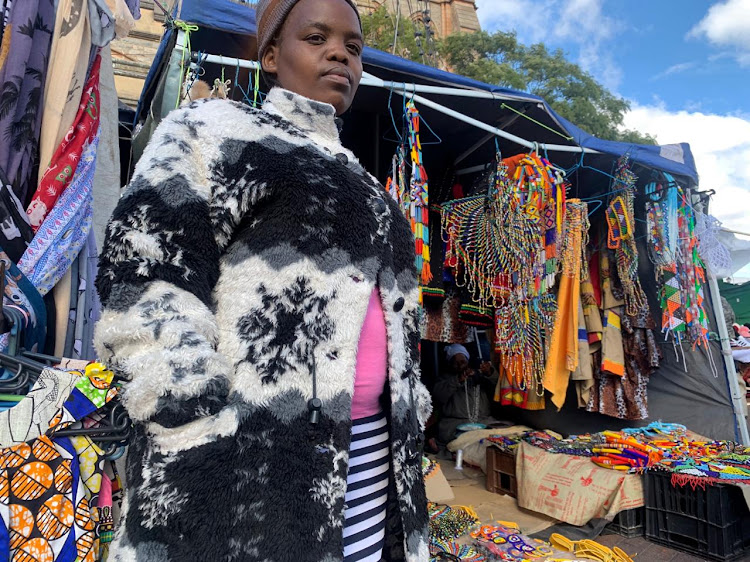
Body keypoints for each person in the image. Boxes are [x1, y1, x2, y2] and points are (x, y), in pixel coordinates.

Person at [94, 0, 431, 560]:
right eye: (317, 37)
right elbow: (145, 270)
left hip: (372, 471)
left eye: (353, 47)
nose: (338, 54)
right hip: (244, 467)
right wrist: (192, 418)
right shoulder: (213, 132)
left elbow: (402, 332)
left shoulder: (377, 194)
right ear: (271, 54)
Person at [433, 344, 499, 443]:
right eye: (455, 363)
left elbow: (498, 388)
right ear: (450, 364)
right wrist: (458, 380)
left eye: (462, 362)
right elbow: (438, 396)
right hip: (454, 425)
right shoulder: (445, 379)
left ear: (468, 362)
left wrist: (489, 373)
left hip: (483, 421)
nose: (460, 365)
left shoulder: (478, 377)